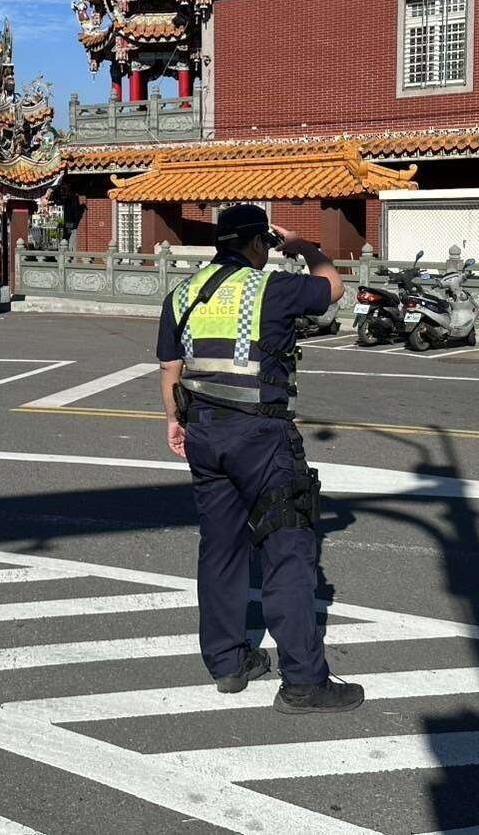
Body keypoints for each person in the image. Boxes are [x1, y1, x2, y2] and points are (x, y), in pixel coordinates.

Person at [157, 204, 364, 714]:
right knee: (287, 546)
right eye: (266, 246)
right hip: (261, 435)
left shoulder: (183, 293)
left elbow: (170, 369)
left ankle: (228, 663)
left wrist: (174, 421)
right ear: (255, 245)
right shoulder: (270, 286)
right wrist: (306, 248)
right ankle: (303, 681)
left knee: (221, 548)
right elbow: (332, 287)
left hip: (203, 430)